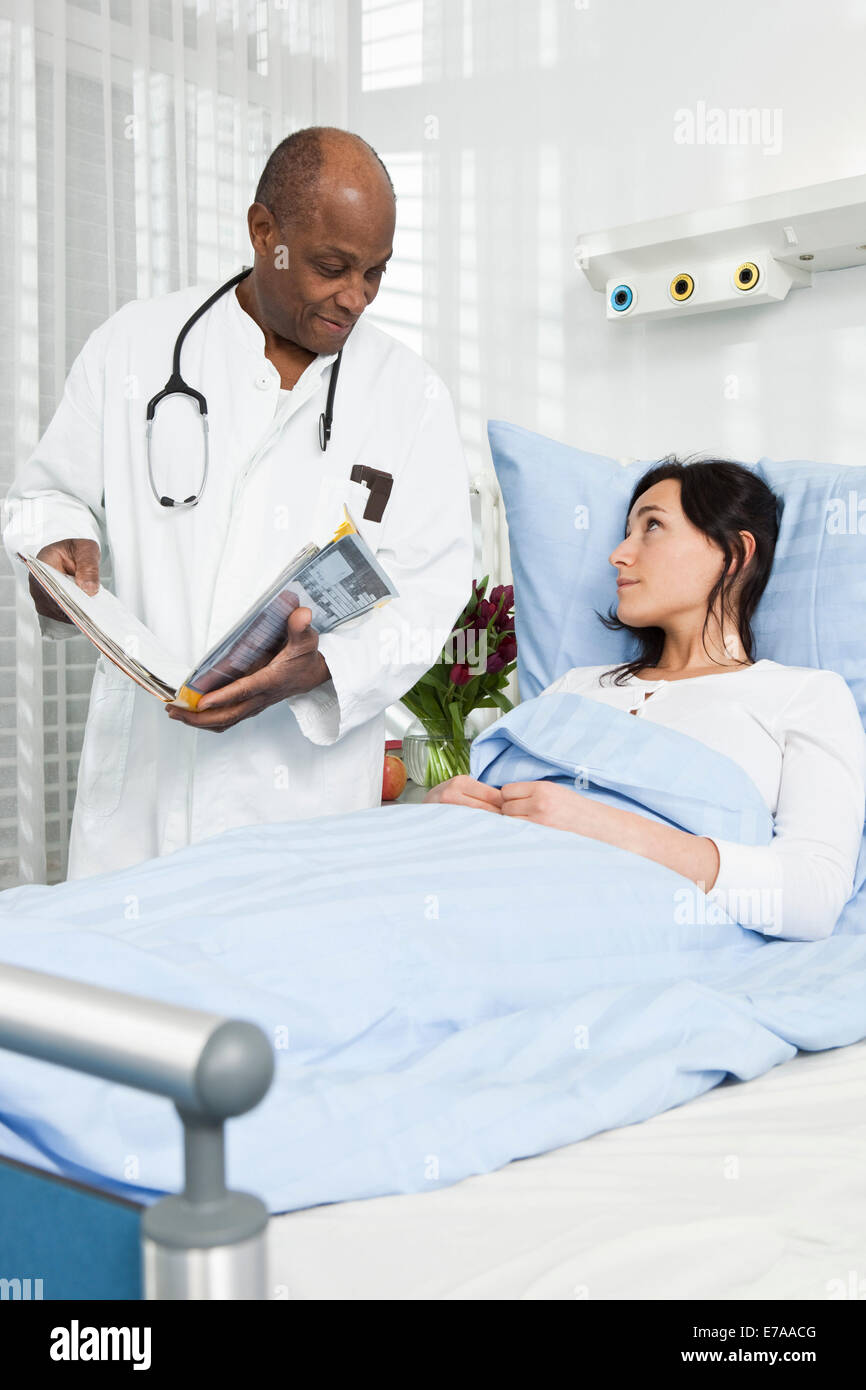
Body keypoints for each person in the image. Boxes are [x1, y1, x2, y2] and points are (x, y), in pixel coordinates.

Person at [2, 126, 473, 879]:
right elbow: (44, 496)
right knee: (116, 990)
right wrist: (58, 550)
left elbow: (432, 590)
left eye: (376, 274)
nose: (355, 298)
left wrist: (323, 671)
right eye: (332, 267)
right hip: (140, 808)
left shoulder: (409, 397)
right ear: (265, 232)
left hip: (305, 816)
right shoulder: (134, 346)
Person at [425, 458, 866, 942]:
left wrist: (604, 825)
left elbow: (813, 897)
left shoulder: (803, 695)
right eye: (626, 531)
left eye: (652, 526)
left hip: (568, 928)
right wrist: (444, 806)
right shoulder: (574, 687)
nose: (618, 554)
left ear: (735, 553)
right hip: (462, 882)